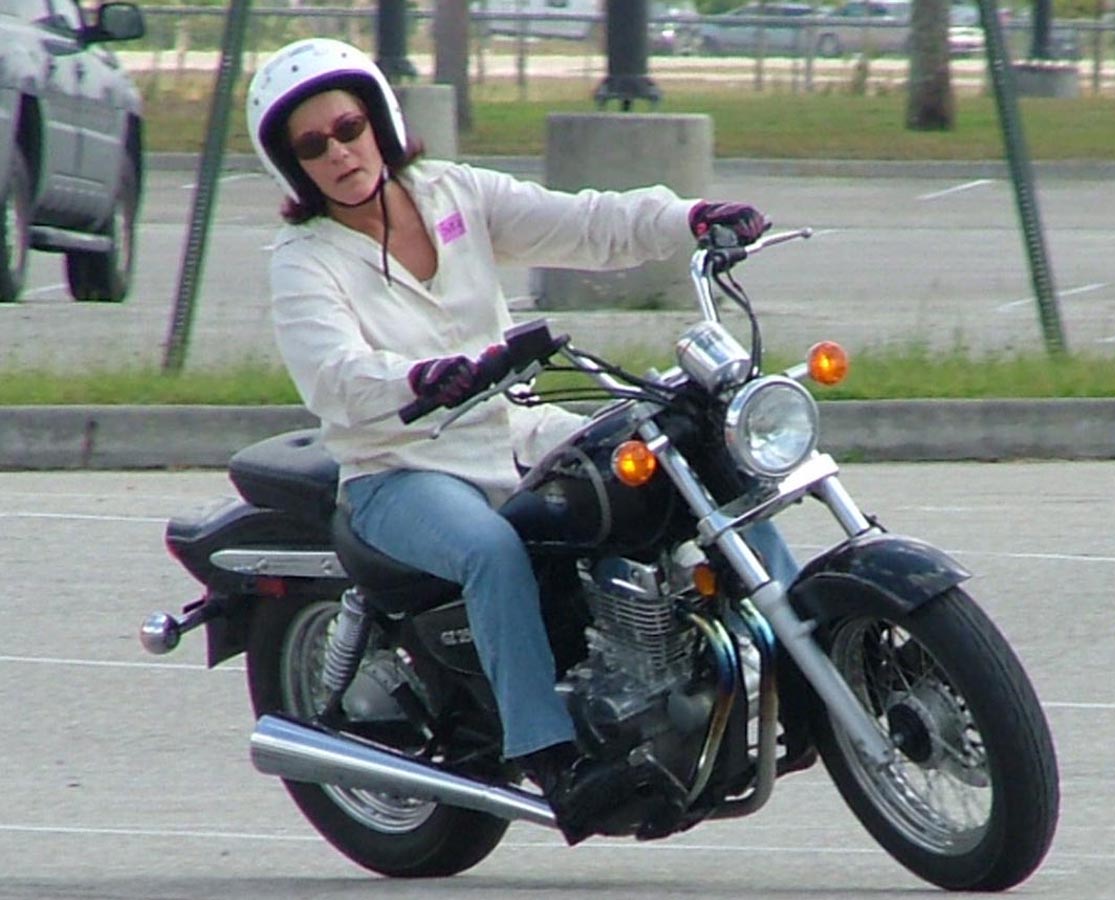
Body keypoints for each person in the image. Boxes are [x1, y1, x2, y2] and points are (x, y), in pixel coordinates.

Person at [246, 37, 777, 845]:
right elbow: (334, 373)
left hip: (514, 426)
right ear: (294, 167)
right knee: (491, 551)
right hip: (400, 465)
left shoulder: (451, 192)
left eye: (348, 128)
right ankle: (554, 759)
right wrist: (421, 380)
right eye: (313, 146)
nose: (340, 153)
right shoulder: (304, 259)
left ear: (379, 121)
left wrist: (688, 219)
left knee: (686, 454)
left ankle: (785, 639)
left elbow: (583, 221)